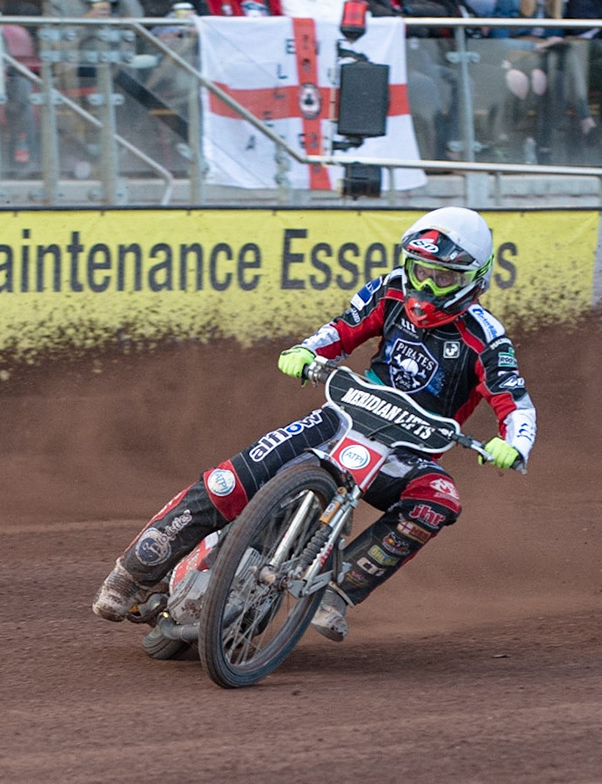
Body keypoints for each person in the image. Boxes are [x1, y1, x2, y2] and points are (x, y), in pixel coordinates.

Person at [92, 207, 537, 641]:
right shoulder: (390, 292)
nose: (426, 285)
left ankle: (340, 589)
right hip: (343, 417)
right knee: (232, 480)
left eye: (443, 277)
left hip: (407, 453)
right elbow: (343, 329)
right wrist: (308, 352)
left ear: (474, 278)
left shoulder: (487, 339)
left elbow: (515, 402)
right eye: (419, 269)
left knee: (438, 500)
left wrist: (513, 444)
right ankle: (131, 573)